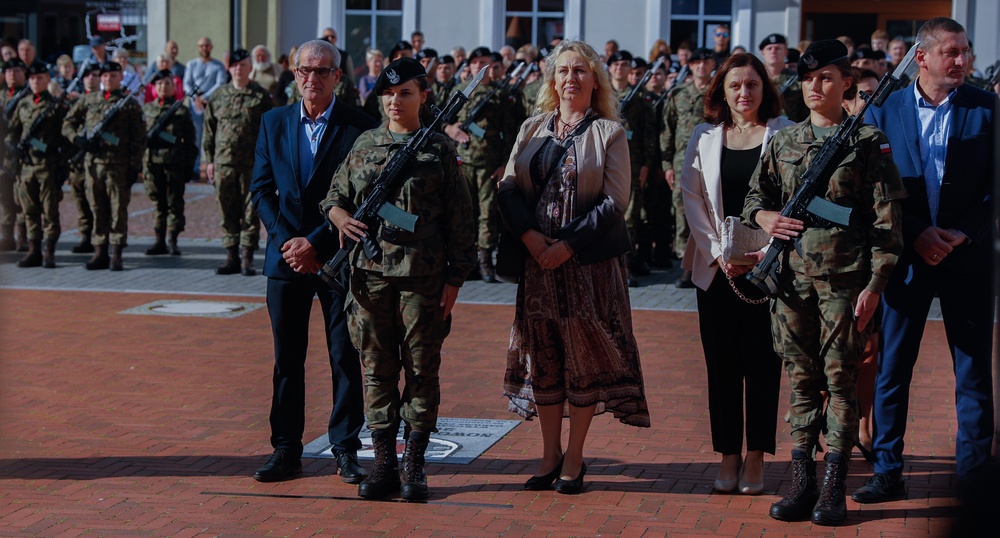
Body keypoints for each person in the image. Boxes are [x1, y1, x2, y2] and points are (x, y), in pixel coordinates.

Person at [742, 39, 904, 526]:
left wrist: (875, 285)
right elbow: (756, 193)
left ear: (845, 83)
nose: (816, 87)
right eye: (808, 79)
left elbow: (887, 221)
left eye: (826, 78)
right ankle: (800, 476)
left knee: (840, 379)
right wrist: (766, 216)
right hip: (790, 282)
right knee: (802, 380)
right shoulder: (785, 142)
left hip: (844, 284)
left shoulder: (867, 142)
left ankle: (834, 480)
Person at [853, 17, 996, 504]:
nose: (961, 61)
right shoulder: (884, 110)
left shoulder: (987, 108)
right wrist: (917, 235)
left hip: (968, 259)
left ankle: (975, 477)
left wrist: (963, 233)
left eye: (965, 52)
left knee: (972, 370)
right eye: (951, 52)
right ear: (922, 57)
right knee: (894, 367)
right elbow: (872, 189)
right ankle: (888, 468)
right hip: (907, 260)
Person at [498, 40, 650, 496]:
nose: (571, 79)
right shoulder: (531, 127)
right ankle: (549, 454)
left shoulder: (610, 133)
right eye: (563, 70)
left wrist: (566, 245)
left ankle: (576, 456)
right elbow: (506, 187)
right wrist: (529, 236)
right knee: (545, 358)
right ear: (552, 80)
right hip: (537, 266)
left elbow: (614, 201)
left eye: (580, 70)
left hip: (587, 268)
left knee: (584, 362)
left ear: (595, 80)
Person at [323, 57, 476, 501]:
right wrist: (339, 216)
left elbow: (461, 219)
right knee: (376, 369)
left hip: (423, 278)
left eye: (405, 93)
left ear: (423, 97)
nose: (394, 101)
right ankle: (384, 460)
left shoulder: (439, 151)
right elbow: (334, 195)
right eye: (388, 93)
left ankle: (415, 462)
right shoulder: (365, 144)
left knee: (422, 368)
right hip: (370, 278)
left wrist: (456, 280)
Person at [249, 38, 376, 485]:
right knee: (288, 359)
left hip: (338, 258)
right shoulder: (273, 121)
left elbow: (362, 196)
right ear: (294, 73)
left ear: (337, 77)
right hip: (285, 261)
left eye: (322, 71)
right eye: (305, 70)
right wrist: (289, 244)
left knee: (344, 356)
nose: (312, 78)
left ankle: (344, 448)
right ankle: (286, 448)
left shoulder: (359, 126)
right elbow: (262, 189)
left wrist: (317, 243)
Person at [680, 53, 791, 496]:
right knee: (722, 366)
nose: (744, 93)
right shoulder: (704, 136)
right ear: (721, 92)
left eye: (752, 85)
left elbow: (791, 200)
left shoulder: (785, 135)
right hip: (717, 270)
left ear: (765, 89)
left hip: (768, 270)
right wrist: (721, 252)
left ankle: (756, 456)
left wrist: (761, 254)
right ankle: (728, 454)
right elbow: (693, 200)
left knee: (764, 365)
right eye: (735, 86)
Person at [61, 60, 146, 271]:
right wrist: (77, 139)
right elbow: (68, 123)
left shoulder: (129, 104)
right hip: (93, 165)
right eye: (105, 76)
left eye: (113, 76)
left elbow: (139, 138)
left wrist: (135, 166)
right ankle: (99, 250)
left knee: (118, 210)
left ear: (120, 78)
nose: (108, 80)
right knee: (97, 208)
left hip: (119, 165)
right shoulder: (89, 100)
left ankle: (116, 252)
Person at [443, 46, 517, 283]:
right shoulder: (458, 91)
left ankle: (485, 261)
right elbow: (441, 121)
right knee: (464, 212)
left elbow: (510, 131)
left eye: (484, 62)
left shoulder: (500, 94)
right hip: (461, 162)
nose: (479, 67)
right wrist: (449, 129)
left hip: (488, 163)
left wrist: (504, 164)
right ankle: (467, 260)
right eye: (475, 63)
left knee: (487, 213)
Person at [202, 48, 272, 276]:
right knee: (227, 210)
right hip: (224, 163)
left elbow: (269, 130)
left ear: (250, 68)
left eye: (243, 65)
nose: (238, 69)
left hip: (252, 165)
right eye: (234, 65)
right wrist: (209, 160)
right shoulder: (218, 96)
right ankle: (231, 255)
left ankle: (247, 258)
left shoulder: (260, 96)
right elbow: (209, 131)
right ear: (229, 68)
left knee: (251, 211)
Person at [662, 48, 716, 287]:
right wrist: (667, 164)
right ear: (690, 66)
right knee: (683, 210)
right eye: (696, 62)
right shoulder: (678, 93)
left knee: (710, 210)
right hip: (683, 160)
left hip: (713, 157)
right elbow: (667, 130)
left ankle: (708, 262)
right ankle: (686, 266)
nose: (700, 66)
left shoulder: (719, 92)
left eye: (705, 62)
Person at [7, 61, 68, 268]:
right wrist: (12, 149)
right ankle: (33, 250)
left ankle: (49, 252)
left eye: (39, 78)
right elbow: (12, 131)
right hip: (27, 166)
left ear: (48, 80)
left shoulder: (56, 106)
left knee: (50, 211)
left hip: (47, 166)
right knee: (29, 210)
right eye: (32, 78)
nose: (35, 82)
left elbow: (65, 137)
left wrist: (62, 165)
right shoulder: (23, 104)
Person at [607, 50, 656, 285]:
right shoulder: (601, 95)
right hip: (606, 162)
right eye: (615, 64)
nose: (620, 68)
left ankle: (625, 265)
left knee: (630, 216)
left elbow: (648, 132)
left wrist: (647, 162)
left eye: (624, 64)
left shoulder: (639, 99)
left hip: (633, 164)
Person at [141, 69, 197, 256]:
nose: (163, 87)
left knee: (174, 203)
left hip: (174, 164)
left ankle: (173, 239)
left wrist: (189, 165)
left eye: (166, 83)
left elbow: (189, 141)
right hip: (152, 163)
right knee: (158, 203)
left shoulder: (181, 111)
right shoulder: (148, 109)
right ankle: (159, 240)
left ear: (173, 87)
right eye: (159, 84)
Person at [64, 62, 101, 255]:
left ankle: (100, 239)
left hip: (98, 161)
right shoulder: (74, 102)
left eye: (95, 75)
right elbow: (65, 125)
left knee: (98, 200)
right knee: (80, 200)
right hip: (78, 159)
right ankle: (86, 236)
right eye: (87, 75)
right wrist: (76, 138)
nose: (91, 79)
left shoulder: (104, 102)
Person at [183, 37, 227, 181]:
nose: (204, 48)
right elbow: (187, 84)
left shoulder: (218, 66)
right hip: (195, 105)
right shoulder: (191, 65)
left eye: (207, 45)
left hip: (212, 105)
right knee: (196, 137)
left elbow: (220, 84)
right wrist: (196, 98)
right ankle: (195, 170)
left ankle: (212, 170)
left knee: (212, 137)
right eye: (201, 45)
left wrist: (205, 97)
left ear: (211, 47)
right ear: (198, 47)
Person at [0, 58, 28, 251]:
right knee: (4, 197)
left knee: (22, 197)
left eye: (16, 71)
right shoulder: (1, 96)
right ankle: (7, 236)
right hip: (3, 156)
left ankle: (24, 237)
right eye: (9, 72)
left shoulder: (28, 96)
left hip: (21, 155)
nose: (12, 75)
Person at [758, 33, 807, 122]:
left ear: (785, 52)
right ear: (763, 53)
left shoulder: (797, 79)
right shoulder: (756, 77)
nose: (773, 51)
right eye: (769, 48)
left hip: (791, 129)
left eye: (778, 48)